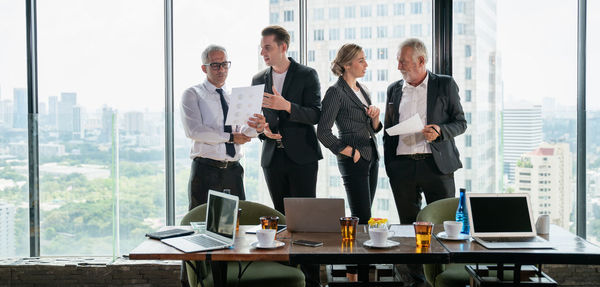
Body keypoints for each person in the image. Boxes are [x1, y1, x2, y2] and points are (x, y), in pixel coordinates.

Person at [383, 38, 466, 285]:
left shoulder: (445, 84)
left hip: (436, 166)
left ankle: (441, 278)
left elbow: (460, 122)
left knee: (441, 228)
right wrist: (391, 166)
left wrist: (440, 130)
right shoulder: (394, 89)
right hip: (403, 167)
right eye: (398, 60)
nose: (399, 66)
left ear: (421, 61)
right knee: (409, 228)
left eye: (404, 61)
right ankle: (414, 281)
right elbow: (389, 127)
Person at [250, 25, 322, 287]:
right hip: (272, 158)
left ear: (283, 47)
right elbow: (257, 121)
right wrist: (262, 131)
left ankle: (311, 280)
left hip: (303, 158)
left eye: (267, 47)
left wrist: (286, 106)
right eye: (261, 48)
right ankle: (286, 278)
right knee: (281, 222)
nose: (263, 52)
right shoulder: (258, 79)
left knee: (304, 223)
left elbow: (315, 114)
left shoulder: (307, 74)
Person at [181, 44, 262, 211]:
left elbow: (243, 131)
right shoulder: (193, 94)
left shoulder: (235, 96)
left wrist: (257, 127)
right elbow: (194, 131)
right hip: (205, 170)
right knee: (201, 222)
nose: (221, 69)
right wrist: (231, 138)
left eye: (225, 64)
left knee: (237, 225)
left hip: (233, 171)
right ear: (204, 68)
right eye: (215, 65)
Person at [317, 43, 382, 225]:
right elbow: (323, 132)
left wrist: (375, 118)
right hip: (353, 159)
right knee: (361, 217)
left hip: (371, 156)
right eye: (361, 61)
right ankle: (356, 253)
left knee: (367, 217)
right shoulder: (335, 92)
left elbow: (372, 127)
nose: (366, 65)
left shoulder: (363, 90)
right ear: (346, 64)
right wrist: (351, 152)